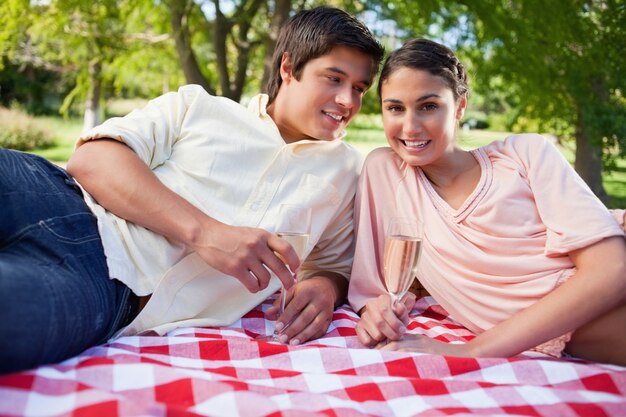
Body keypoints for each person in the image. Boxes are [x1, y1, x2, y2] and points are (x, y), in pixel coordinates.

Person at [0, 6, 384, 374]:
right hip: (52, 196)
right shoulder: (198, 106)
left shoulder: (347, 169)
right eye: (333, 79)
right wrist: (206, 233)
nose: (348, 101)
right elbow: (92, 160)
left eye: (360, 87)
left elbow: (334, 264)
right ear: (288, 67)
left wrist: (325, 287)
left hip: (103, 289)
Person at [348, 38, 626, 365]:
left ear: (460, 106)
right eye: (395, 108)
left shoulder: (525, 154)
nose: (410, 126)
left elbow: (613, 268)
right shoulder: (386, 173)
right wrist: (374, 310)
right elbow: (371, 284)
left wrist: (475, 350)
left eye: (429, 106)